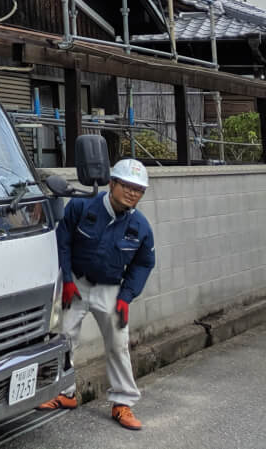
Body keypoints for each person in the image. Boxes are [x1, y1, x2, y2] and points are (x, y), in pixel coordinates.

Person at [38, 158, 156, 431]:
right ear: (112, 183)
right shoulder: (82, 206)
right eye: (127, 186)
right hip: (76, 284)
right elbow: (63, 241)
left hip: (111, 290)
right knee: (63, 337)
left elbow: (144, 263)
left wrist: (126, 296)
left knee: (118, 343)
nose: (132, 193)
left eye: (138, 189)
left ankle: (122, 403)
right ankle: (64, 392)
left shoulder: (140, 226)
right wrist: (67, 280)